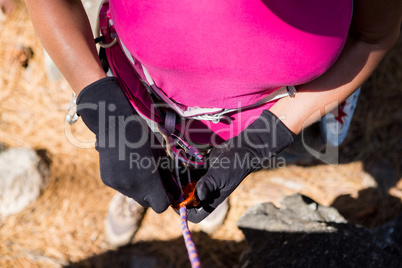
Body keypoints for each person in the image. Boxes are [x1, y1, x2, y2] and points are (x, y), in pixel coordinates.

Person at [25, 0, 401, 247]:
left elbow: (372, 37)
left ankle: (187, 181)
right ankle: (138, 190)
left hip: (253, 115)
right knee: (136, 160)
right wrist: (101, 104)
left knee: (199, 169)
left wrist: (262, 138)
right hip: (137, 86)